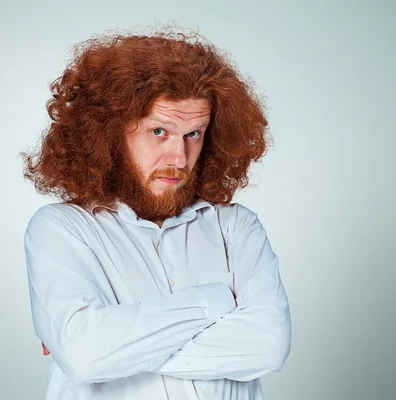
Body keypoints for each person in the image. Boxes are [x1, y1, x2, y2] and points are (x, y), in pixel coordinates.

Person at [22, 29, 292, 400]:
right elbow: (86, 357)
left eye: (194, 134)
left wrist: (117, 347)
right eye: (160, 131)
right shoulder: (61, 229)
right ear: (111, 131)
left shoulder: (236, 228)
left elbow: (268, 345)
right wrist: (215, 301)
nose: (179, 158)